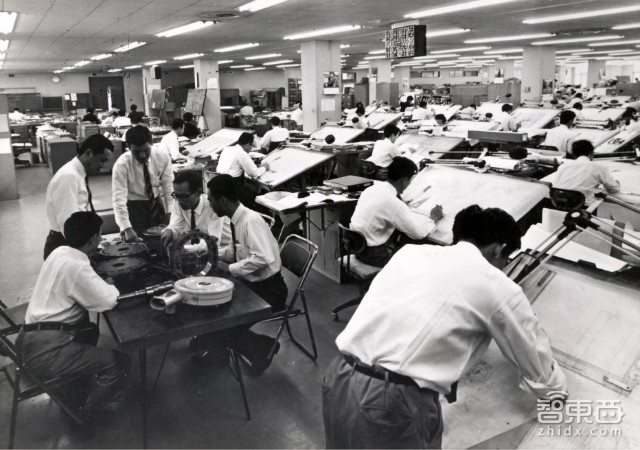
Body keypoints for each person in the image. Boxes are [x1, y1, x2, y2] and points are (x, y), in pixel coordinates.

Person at [323, 205, 568, 449]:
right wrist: (556, 393)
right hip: (390, 401)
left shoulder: (410, 253)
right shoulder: (496, 284)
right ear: (499, 249)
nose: (504, 266)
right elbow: (533, 354)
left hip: (340, 375)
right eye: (506, 259)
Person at [19, 212, 131, 424]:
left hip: (28, 339)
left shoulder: (59, 251)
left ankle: (77, 389)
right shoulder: (77, 266)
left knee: (90, 330)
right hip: (47, 352)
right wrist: (109, 284)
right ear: (93, 239)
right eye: (100, 235)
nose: (101, 238)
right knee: (119, 362)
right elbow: (108, 301)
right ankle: (85, 415)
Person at [189, 175, 287, 375]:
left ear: (222, 200)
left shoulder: (250, 221)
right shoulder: (237, 219)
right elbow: (239, 250)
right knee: (215, 310)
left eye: (211, 200)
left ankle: (263, 346)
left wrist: (229, 268)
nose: (210, 205)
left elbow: (262, 258)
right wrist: (214, 252)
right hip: (254, 284)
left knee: (223, 321)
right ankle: (217, 349)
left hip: (269, 290)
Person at [350, 157, 443, 267]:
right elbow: (418, 233)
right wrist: (433, 218)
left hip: (357, 248)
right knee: (421, 257)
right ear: (404, 180)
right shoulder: (393, 202)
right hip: (375, 255)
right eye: (409, 180)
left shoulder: (371, 189)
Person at [44, 134, 114, 259]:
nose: (103, 166)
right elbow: (68, 222)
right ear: (88, 153)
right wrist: (85, 252)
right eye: (102, 160)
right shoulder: (69, 177)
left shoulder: (77, 174)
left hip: (73, 243)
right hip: (65, 245)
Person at [112, 125, 174, 242]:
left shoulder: (162, 157)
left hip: (156, 204)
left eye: (146, 150)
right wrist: (126, 227)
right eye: (137, 152)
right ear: (128, 147)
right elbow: (118, 199)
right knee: (136, 244)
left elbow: (169, 187)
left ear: (151, 143)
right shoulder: (121, 164)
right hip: (134, 208)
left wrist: (170, 212)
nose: (142, 155)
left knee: (162, 241)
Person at [160, 170, 230, 248]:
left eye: (184, 196)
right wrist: (169, 231)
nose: (180, 201)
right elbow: (176, 226)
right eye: (177, 195)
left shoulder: (213, 206)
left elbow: (213, 242)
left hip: (225, 247)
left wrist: (185, 249)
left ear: (198, 192)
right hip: (201, 247)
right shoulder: (179, 204)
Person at [553, 139, 620, 206]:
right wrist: (617, 182)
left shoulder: (563, 166)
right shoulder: (598, 166)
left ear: (574, 154)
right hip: (583, 205)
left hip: (560, 203)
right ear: (591, 153)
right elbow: (613, 189)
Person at [217, 132, 270, 206]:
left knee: (249, 187)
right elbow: (255, 173)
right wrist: (264, 167)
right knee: (255, 195)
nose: (251, 149)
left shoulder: (227, 149)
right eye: (252, 146)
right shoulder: (242, 153)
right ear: (248, 145)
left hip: (219, 182)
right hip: (232, 185)